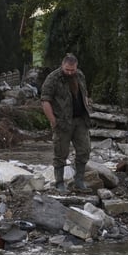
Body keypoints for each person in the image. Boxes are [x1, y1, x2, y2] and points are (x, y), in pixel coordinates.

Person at [41, 53, 92, 193]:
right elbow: (45, 101)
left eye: (72, 70)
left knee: (84, 150)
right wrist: (53, 121)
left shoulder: (80, 75)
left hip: (80, 120)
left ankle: (79, 180)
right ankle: (59, 182)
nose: (70, 72)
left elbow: (84, 93)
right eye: (67, 69)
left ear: (76, 67)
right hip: (62, 122)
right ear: (62, 65)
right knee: (60, 153)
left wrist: (87, 107)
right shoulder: (53, 78)